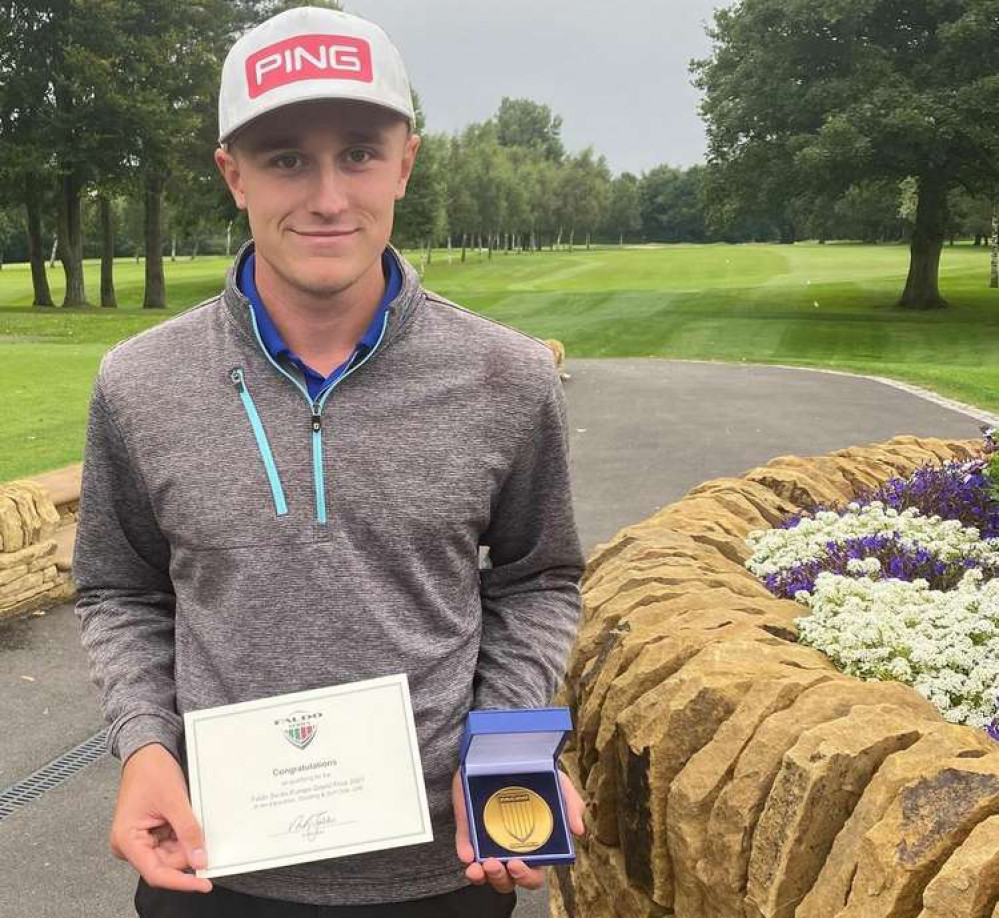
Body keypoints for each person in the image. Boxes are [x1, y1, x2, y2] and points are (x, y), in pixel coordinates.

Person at [73, 7, 586, 916]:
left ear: (405, 162)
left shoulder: (506, 377)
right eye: (284, 159)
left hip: (445, 866)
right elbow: (120, 589)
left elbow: (538, 577)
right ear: (233, 175)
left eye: (357, 152)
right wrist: (145, 744)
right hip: (211, 862)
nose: (326, 197)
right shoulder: (138, 382)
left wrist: (506, 740)